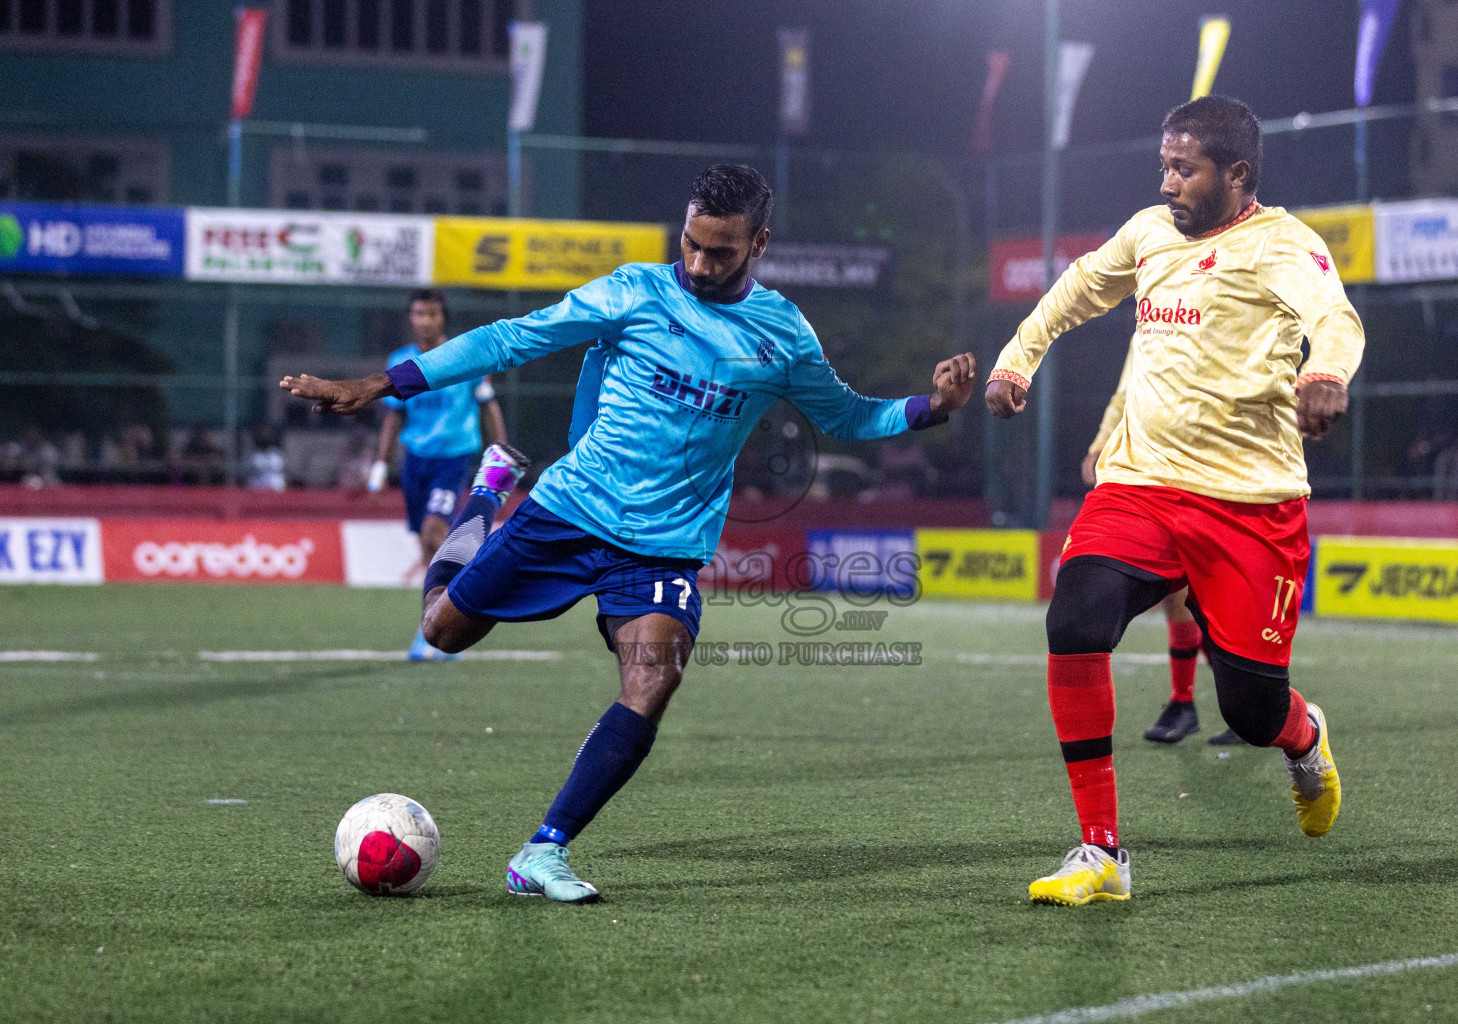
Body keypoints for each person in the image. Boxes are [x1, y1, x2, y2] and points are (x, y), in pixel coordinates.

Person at [282, 164, 976, 904]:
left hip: (664, 544)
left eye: (721, 253)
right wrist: (382, 383)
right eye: (692, 244)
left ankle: (543, 851)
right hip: (570, 511)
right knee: (443, 629)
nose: (700, 265)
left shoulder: (784, 336)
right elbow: (512, 339)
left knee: (653, 678)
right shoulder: (635, 292)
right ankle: (486, 494)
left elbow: (846, 415)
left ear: (760, 245)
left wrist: (929, 408)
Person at [985, 96, 1362, 906]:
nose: (1167, 183)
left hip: (1249, 507)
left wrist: (1325, 371)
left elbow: (1336, 318)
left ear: (1238, 175)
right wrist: (1017, 360)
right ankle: (1103, 853)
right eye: (1163, 166)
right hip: (1141, 486)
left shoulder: (1283, 245)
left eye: (1184, 169)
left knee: (1254, 709)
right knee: (1074, 621)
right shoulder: (1148, 232)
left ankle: (1304, 735)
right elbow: (1078, 289)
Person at [1081, 347, 1245, 747]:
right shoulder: (1151, 319)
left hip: (1216, 465)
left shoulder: (1219, 306)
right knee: (1182, 593)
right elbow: (1126, 391)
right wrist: (1102, 441)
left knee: (1207, 598)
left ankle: (1241, 705)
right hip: (1158, 468)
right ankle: (1189, 703)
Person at [370, 288, 509, 661]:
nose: (425, 321)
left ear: (442, 317)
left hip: (454, 457)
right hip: (416, 460)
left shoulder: (463, 355)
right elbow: (392, 416)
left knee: (436, 532)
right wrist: (381, 464)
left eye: (432, 314)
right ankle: (434, 621)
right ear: (411, 318)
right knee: (425, 542)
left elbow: (487, 406)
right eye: (419, 314)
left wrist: (501, 458)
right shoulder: (401, 360)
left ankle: (449, 622)